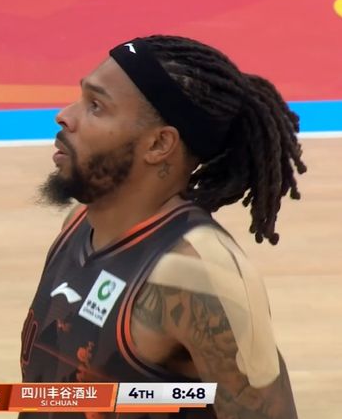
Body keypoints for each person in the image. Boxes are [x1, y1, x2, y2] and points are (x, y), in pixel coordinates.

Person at [20, 35, 305, 419]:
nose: (65, 115)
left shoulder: (199, 271)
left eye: (96, 106)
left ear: (158, 144)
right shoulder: (78, 227)